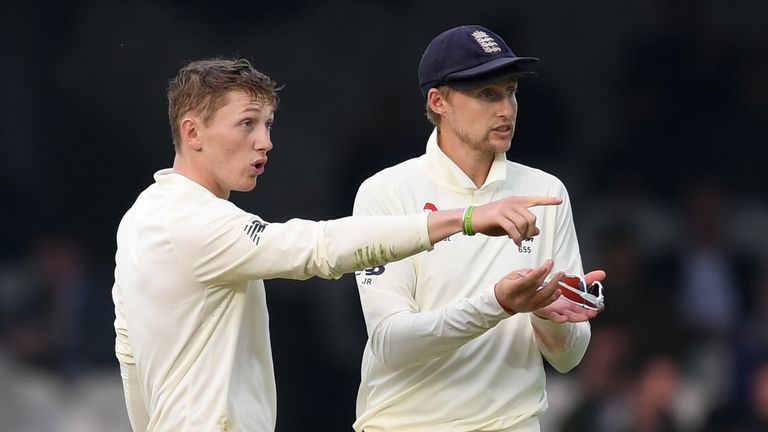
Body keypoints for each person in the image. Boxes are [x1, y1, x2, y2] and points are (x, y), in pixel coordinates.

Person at [112, 57, 566, 432]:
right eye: (246, 124)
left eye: (267, 124)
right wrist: (463, 218)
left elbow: (129, 356)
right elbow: (321, 246)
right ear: (192, 132)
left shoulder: (139, 218)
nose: (265, 142)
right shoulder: (194, 220)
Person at [352, 25, 606, 432]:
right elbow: (391, 344)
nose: (506, 109)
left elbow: (568, 357)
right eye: (487, 94)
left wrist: (547, 318)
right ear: (438, 101)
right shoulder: (385, 193)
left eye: (511, 91)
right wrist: (499, 304)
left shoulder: (546, 192)